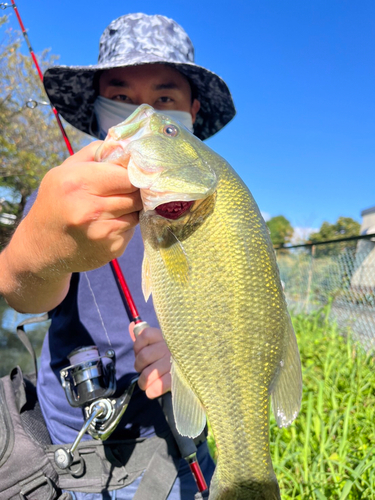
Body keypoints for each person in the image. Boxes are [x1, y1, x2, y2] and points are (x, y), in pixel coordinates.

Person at [0, 13, 236, 500]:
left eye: (164, 98)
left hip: (181, 447)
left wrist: (194, 361)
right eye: (122, 97)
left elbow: (234, 319)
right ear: (98, 109)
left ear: (191, 111)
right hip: (74, 452)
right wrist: (43, 245)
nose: (144, 112)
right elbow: (18, 291)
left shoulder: (218, 212)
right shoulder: (58, 191)